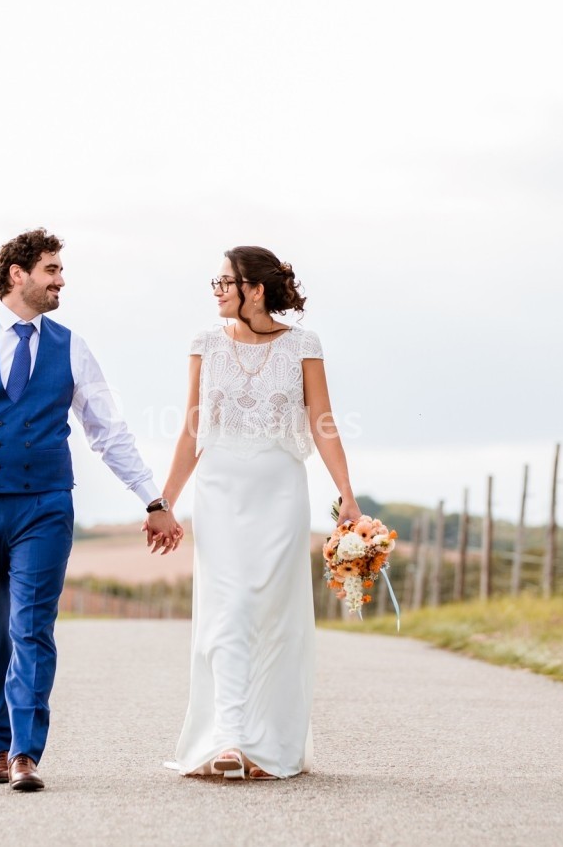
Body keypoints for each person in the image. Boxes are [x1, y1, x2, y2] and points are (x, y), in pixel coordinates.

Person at [0, 228, 183, 792]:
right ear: (17, 274)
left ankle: (25, 752)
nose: (61, 280)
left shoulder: (72, 346)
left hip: (45, 505)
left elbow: (107, 430)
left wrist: (152, 498)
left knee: (32, 627)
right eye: (51, 269)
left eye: (60, 270)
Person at [159, 245, 360, 780]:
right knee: (230, 608)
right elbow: (191, 430)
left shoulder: (304, 345)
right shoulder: (204, 344)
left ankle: (268, 744)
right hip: (219, 491)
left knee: (272, 613)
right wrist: (164, 502)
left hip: (280, 491)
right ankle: (228, 737)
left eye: (225, 282)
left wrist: (347, 494)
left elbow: (322, 422)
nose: (217, 291)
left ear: (256, 289)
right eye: (216, 282)